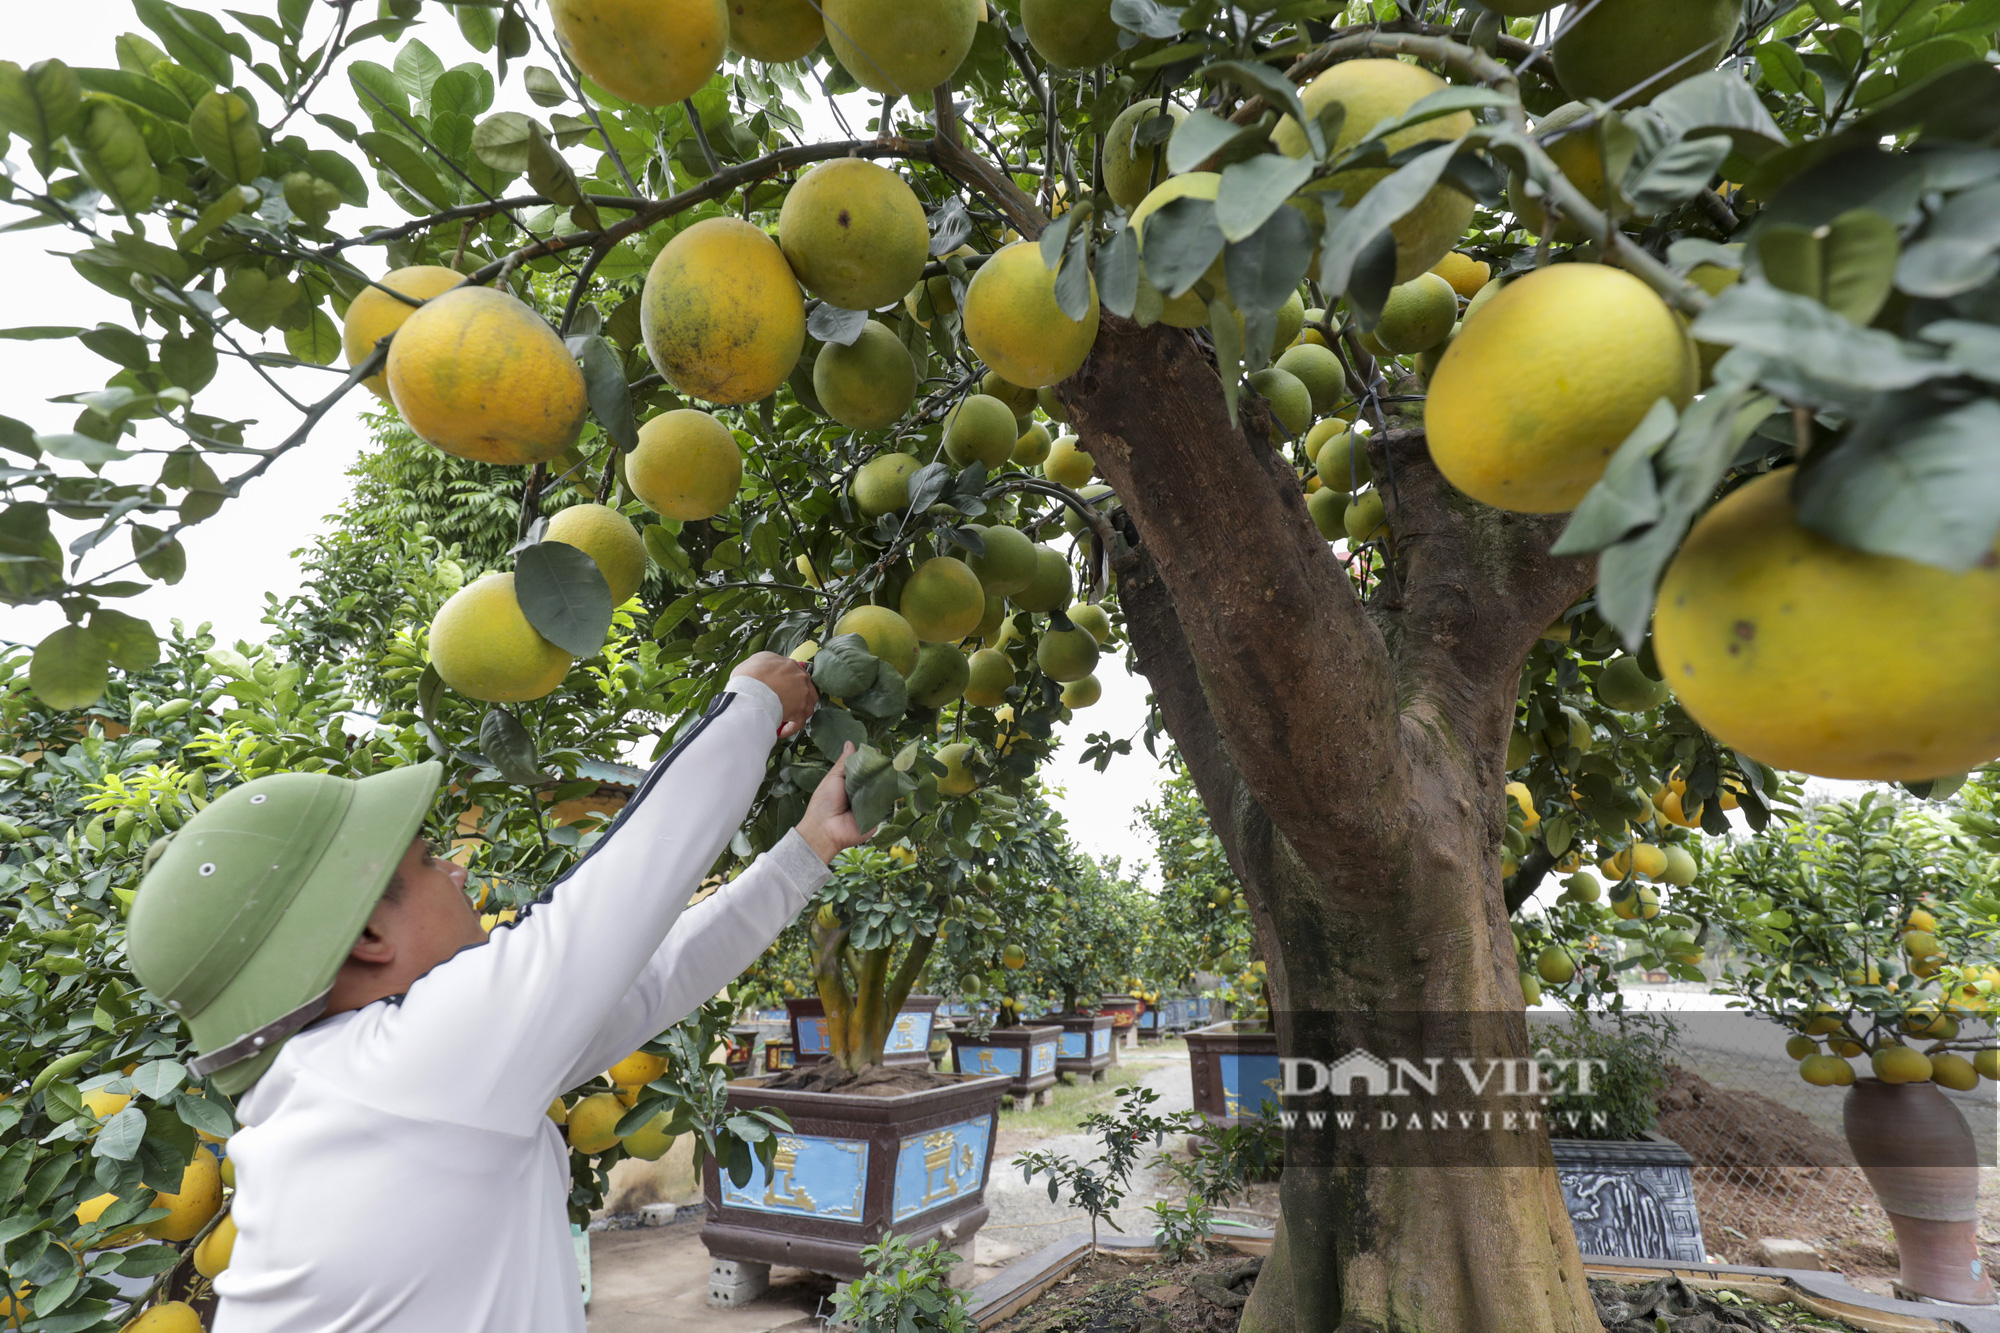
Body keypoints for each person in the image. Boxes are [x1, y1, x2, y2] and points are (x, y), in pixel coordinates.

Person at [125, 653, 862, 1332]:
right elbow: (626, 881)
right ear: (366, 938)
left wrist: (808, 848)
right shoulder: (403, 1070)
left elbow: (655, 979)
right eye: (427, 859)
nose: (455, 871)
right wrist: (755, 703)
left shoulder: (354, 1087)